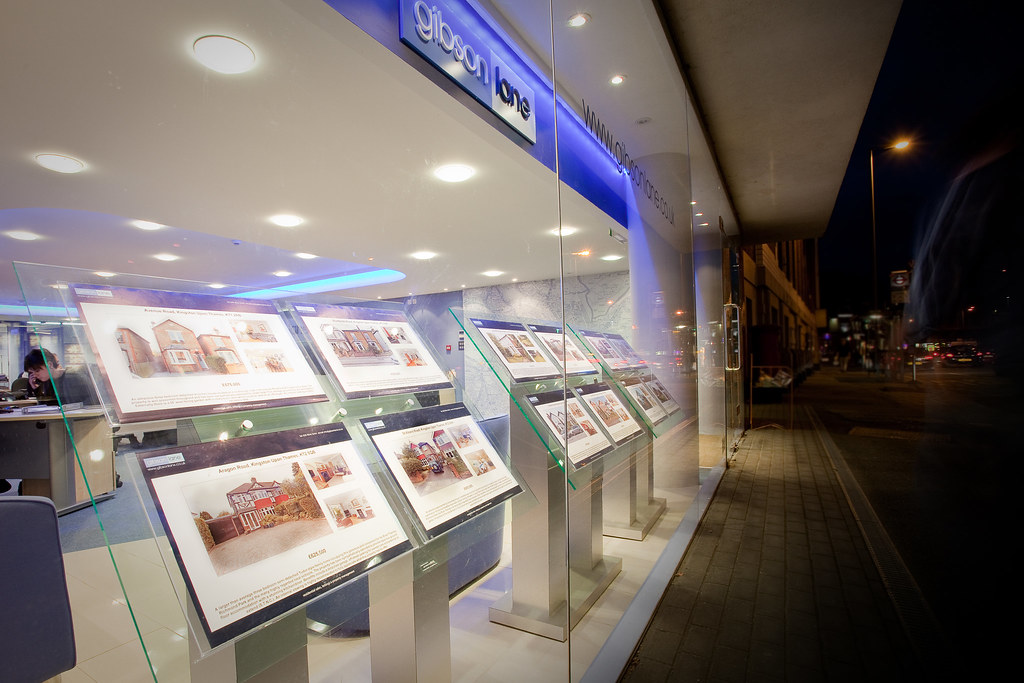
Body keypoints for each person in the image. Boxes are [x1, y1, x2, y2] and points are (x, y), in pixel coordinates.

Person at [23, 348, 96, 406]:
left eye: (37, 371)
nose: (35, 375)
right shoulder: (48, 382)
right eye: (31, 372)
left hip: (82, 418)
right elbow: (47, 407)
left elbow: (94, 399)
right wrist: (36, 389)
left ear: (50, 365)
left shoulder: (73, 376)